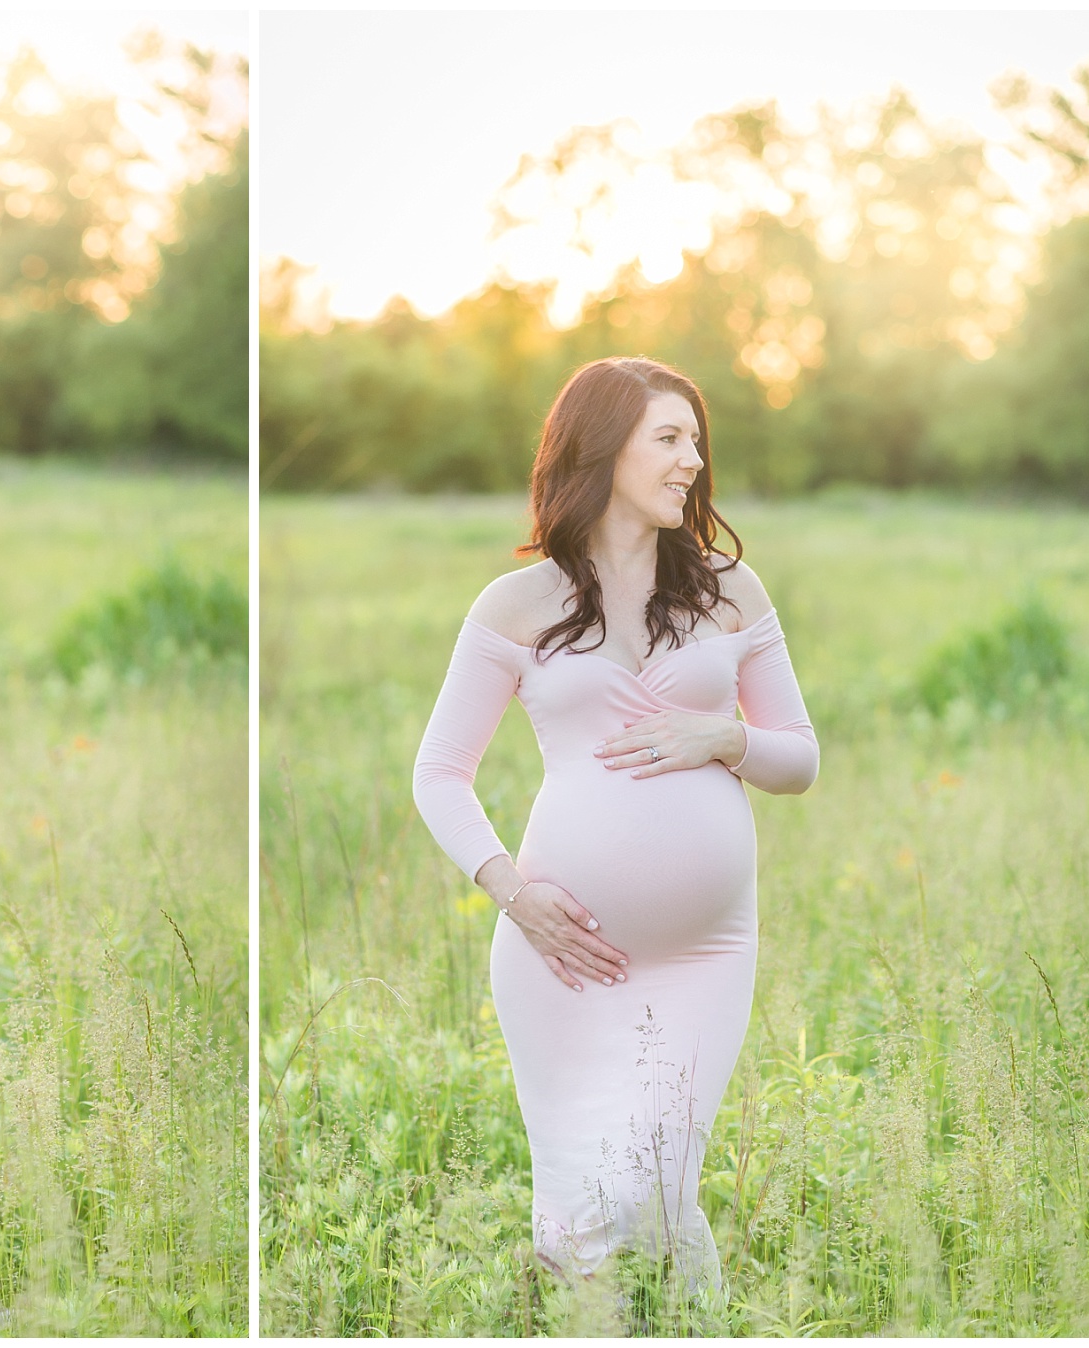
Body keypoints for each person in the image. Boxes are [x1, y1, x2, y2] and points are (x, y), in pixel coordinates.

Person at [412, 356, 817, 1293]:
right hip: (562, 959)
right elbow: (440, 772)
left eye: (696, 439)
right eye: (668, 439)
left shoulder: (730, 592)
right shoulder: (516, 604)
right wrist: (512, 894)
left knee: (658, 1189)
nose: (693, 460)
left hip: (704, 954)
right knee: (577, 1216)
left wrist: (726, 737)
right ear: (602, 450)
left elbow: (800, 758)